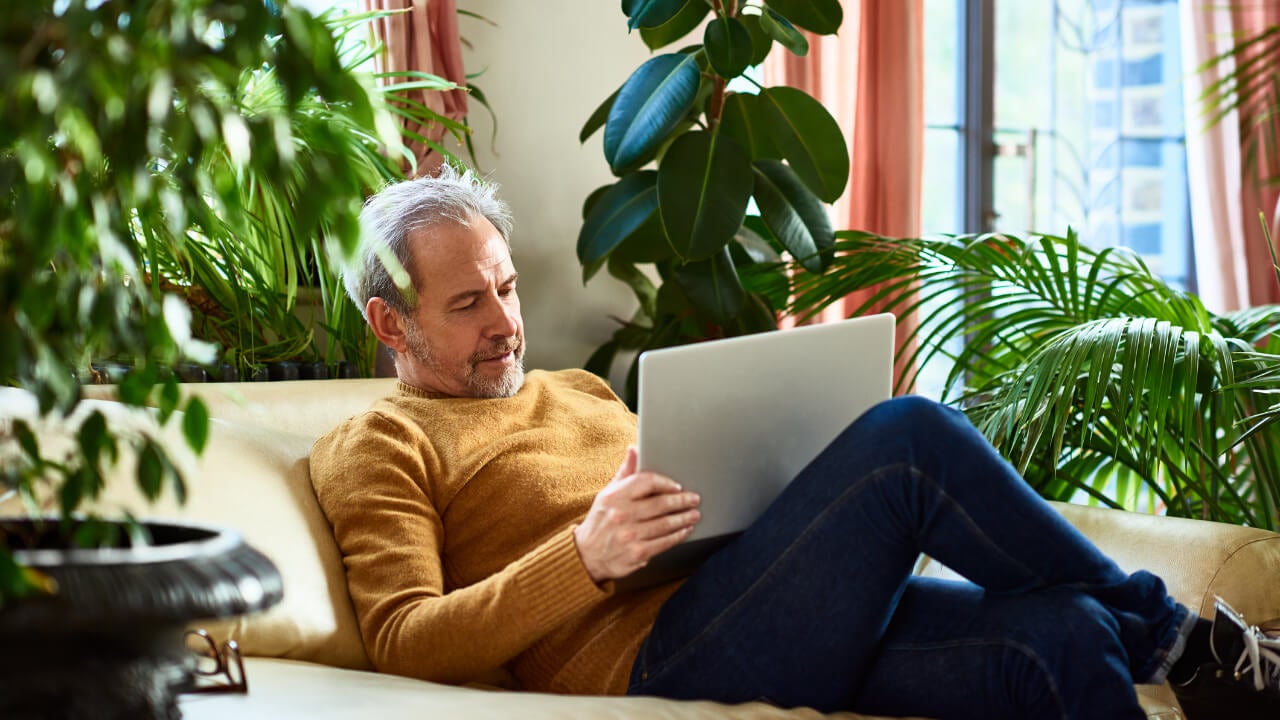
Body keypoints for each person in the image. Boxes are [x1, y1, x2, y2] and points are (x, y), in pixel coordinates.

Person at [309, 166, 1280, 720]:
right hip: (658, 657)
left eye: (506, 288)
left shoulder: (578, 387)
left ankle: (1175, 655)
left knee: (1064, 630)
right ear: (390, 325)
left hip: (768, 609)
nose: (505, 323)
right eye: (468, 303)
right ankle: (1184, 645)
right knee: (908, 436)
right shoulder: (379, 442)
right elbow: (401, 641)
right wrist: (582, 558)